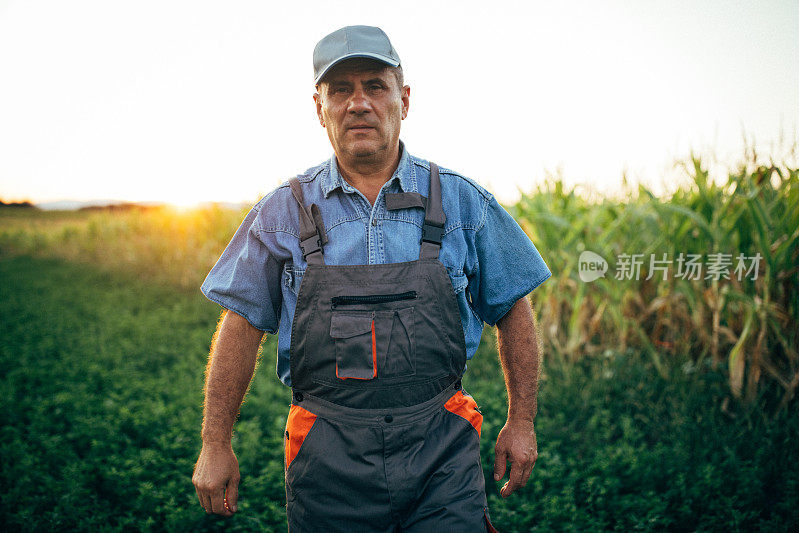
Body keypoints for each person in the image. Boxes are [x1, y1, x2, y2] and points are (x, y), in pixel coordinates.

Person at [192, 25, 551, 532]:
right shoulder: (281, 212)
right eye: (340, 89)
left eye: (375, 86)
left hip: (441, 449)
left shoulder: (464, 203)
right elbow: (241, 323)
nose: (358, 103)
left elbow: (513, 306)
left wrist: (522, 422)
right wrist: (214, 443)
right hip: (326, 452)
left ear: (404, 100)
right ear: (319, 108)